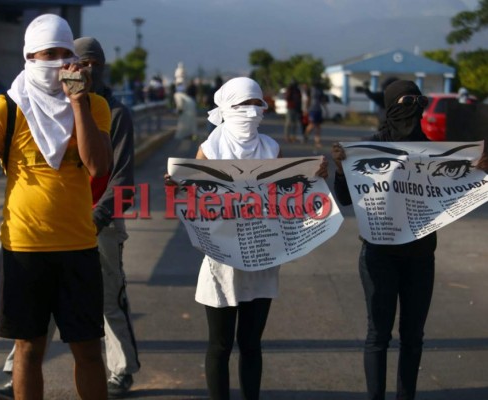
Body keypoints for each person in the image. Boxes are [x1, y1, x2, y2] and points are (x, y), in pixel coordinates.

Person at [0, 14, 112, 400]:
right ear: (29, 56)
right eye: (48, 54)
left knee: (89, 351)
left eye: (66, 53)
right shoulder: (2, 111)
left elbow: (99, 167)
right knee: (29, 350)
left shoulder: (94, 107)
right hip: (25, 249)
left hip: (79, 247)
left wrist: (77, 103)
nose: (58, 62)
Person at [0, 36, 141, 400]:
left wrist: (96, 217)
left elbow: (120, 177)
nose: (78, 71)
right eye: (75, 63)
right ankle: (17, 375)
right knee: (37, 321)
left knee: (108, 304)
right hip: (53, 230)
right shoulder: (39, 107)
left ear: (98, 68)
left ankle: (122, 369)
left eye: (87, 64)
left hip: (99, 221)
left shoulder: (113, 113)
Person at [166, 77, 327, 399]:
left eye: (256, 104)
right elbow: (194, 197)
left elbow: (285, 192)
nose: (250, 112)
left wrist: (313, 175)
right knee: (221, 344)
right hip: (222, 258)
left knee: (252, 343)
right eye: (242, 105)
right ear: (225, 108)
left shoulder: (271, 147)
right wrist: (178, 188)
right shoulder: (210, 148)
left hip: (262, 256)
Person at [331, 80, 447, 400]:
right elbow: (344, 199)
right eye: (404, 100)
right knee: (378, 335)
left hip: (421, 256)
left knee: (413, 337)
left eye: (417, 100)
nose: (411, 106)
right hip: (379, 255)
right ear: (390, 106)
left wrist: (478, 172)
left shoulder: (434, 150)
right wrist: (342, 171)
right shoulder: (369, 148)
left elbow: (455, 191)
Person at [304, 82, 326, 148]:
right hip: (312, 109)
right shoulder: (311, 90)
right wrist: (306, 109)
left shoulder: (320, 90)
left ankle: (317, 142)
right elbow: (308, 99)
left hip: (318, 109)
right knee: (312, 125)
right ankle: (305, 135)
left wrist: (325, 109)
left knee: (318, 126)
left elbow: (322, 100)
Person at [283, 78, 302, 143]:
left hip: (296, 108)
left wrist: (300, 109)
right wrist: (290, 90)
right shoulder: (289, 89)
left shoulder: (297, 90)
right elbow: (287, 97)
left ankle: (293, 137)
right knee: (288, 123)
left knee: (295, 124)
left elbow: (300, 99)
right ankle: (287, 136)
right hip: (290, 107)